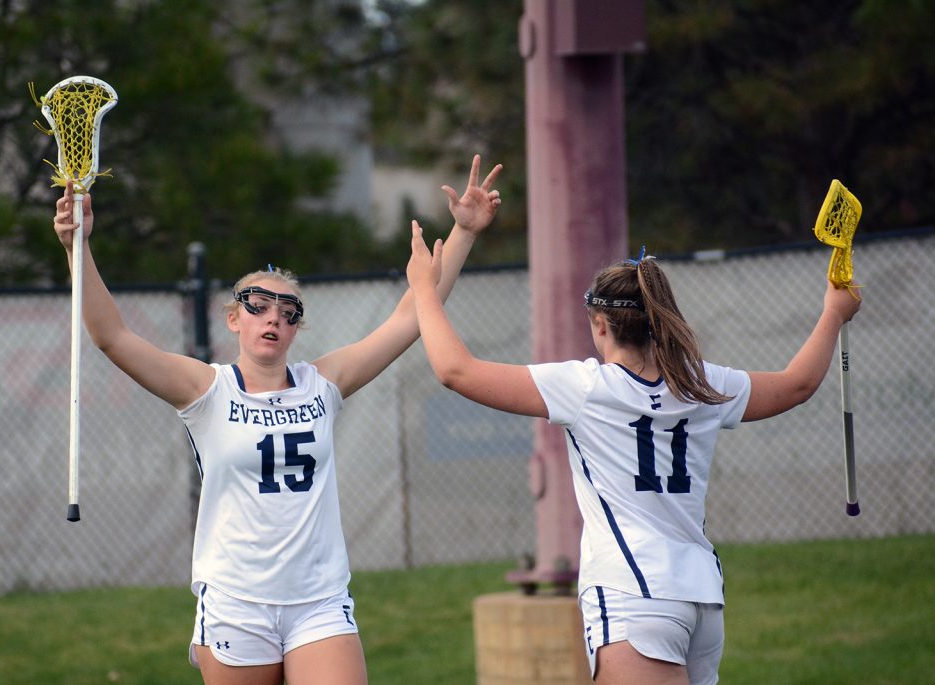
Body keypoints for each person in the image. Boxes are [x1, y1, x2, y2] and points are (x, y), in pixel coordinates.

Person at [52, 154, 503, 685]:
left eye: (289, 312)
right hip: (237, 601)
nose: (274, 318)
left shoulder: (323, 383)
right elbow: (112, 337)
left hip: (319, 599)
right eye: (259, 305)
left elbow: (411, 317)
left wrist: (464, 232)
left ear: (295, 329)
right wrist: (77, 246)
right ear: (233, 318)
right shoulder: (207, 390)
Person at [404, 227, 861, 685]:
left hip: (633, 596)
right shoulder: (702, 384)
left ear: (600, 325)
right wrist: (833, 312)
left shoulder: (585, 388)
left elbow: (455, 371)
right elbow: (798, 384)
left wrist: (424, 288)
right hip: (701, 597)